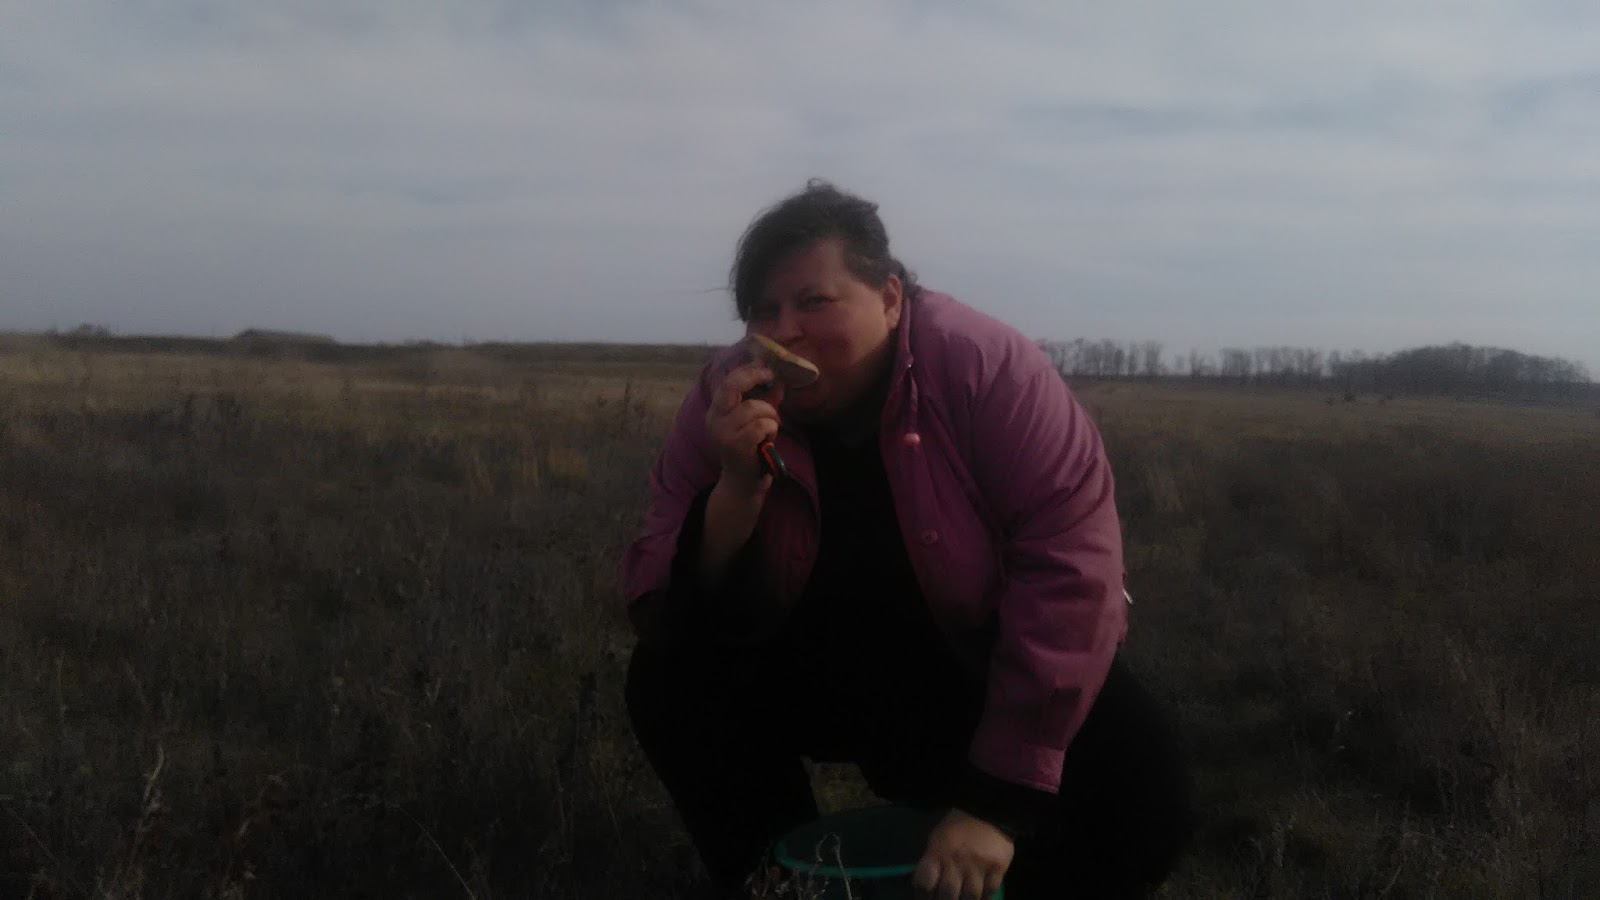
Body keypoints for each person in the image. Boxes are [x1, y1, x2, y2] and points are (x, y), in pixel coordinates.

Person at [621, 180, 1192, 899]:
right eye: (764, 311)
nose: (784, 332)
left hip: (973, 658)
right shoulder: (726, 394)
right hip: (817, 660)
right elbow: (659, 592)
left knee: (1146, 796)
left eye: (814, 301)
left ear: (890, 298)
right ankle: (785, 883)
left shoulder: (988, 370)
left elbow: (1071, 572)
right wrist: (736, 488)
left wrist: (996, 802)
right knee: (667, 679)